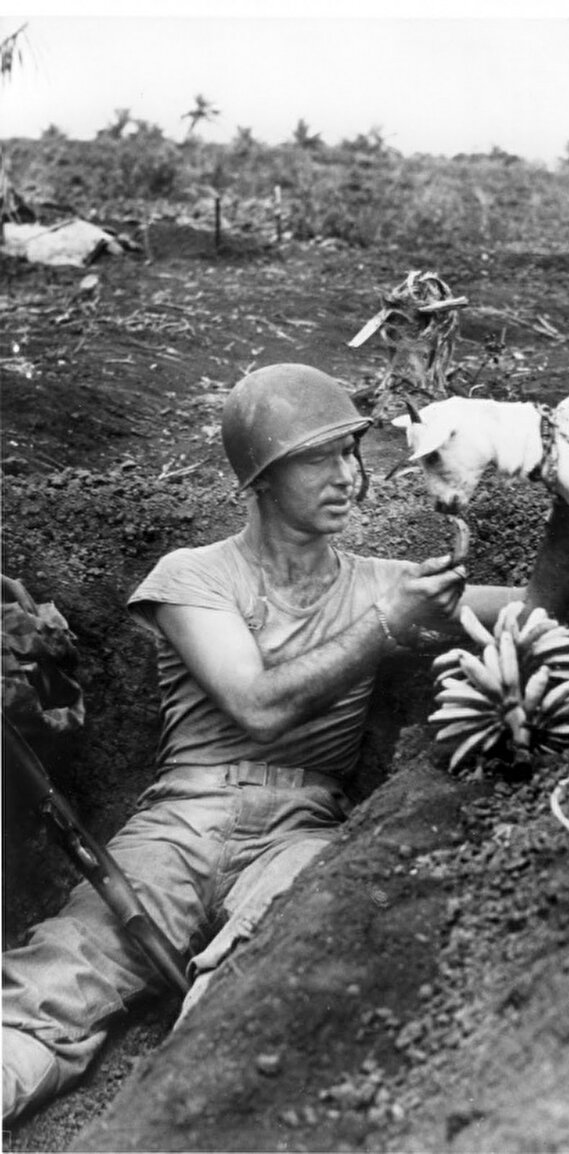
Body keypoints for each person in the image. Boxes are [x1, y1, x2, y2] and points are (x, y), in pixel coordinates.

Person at [2, 363, 516, 1124]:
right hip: (181, 823)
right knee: (53, 987)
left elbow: (544, 610)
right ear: (262, 480)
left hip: (304, 831)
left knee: (267, 990)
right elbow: (257, 705)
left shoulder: (389, 582)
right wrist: (386, 626)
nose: (348, 476)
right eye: (320, 458)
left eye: (351, 454)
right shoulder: (194, 576)